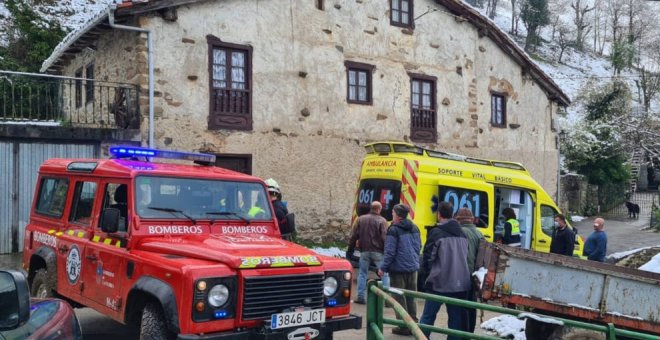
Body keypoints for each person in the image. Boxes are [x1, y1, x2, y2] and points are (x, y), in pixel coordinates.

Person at [419, 202, 471, 339]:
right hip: (459, 283)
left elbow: (428, 258)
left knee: (428, 318)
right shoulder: (462, 234)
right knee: (455, 322)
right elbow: (466, 256)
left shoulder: (436, 233)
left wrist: (426, 278)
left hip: (438, 283)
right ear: (452, 215)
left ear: (439, 214)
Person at [377, 204, 421, 335]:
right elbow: (419, 246)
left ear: (398, 215)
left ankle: (403, 326)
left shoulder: (393, 230)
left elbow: (390, 252)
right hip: (413, 268)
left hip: (398, 269)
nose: (392, 214)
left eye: (393, 212)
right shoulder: (415, 227)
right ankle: (413, 324)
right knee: (411, 297)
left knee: (399, 298)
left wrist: (383, 268)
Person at [347, 201, 388, 305]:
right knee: (384, 274)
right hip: (378, 253)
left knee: (362, 274)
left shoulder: (361, 219)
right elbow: (384, 238)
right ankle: (387, 299)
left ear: (371, 208)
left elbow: (354, 236)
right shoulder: (382, 221)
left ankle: (361, 297)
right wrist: (387, 252)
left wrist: (350, 250)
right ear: (379, 209)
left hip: (364, 251)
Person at [455, 208, 485, 334]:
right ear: (472, 219)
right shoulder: (479, 233)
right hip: (476, 276)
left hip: (462, 275)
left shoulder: (460, 232)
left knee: (461, 307)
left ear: (458, 219)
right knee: (472, 306)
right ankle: (469, 332)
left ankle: (462, 333)